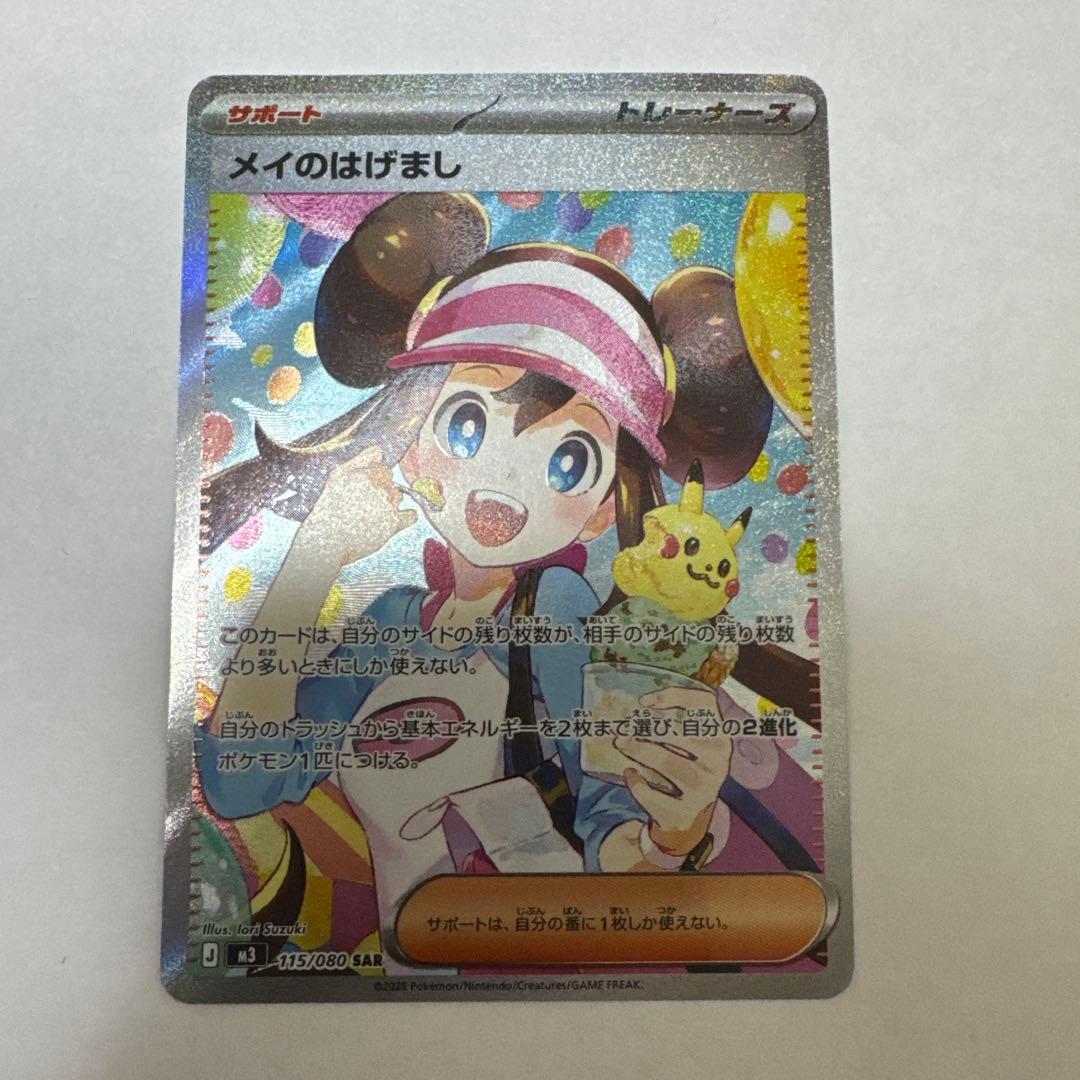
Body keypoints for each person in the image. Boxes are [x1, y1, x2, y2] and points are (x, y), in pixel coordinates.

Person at [197, 194, 820, 969]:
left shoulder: (554, 608)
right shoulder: (393, 621)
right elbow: (244, 779)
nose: (503, 482)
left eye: (568, 461)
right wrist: (315, 554)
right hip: (404, 990)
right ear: (410, 439)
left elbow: (610, 827)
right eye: (466, 424)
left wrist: (673, 835)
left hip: (541, 974)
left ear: (601, 512)